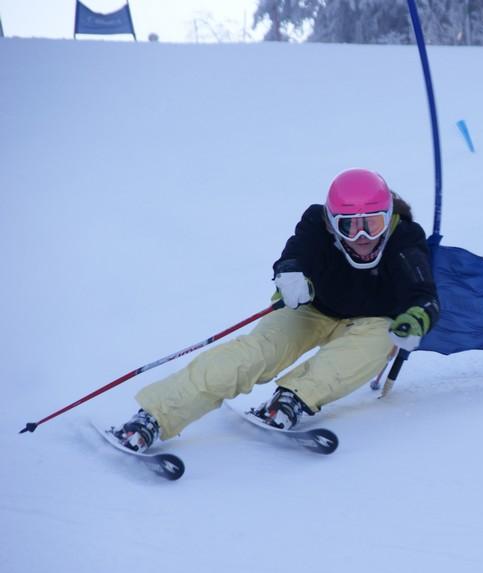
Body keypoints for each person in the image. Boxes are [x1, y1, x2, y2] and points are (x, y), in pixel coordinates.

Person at [112, 168, 440, 452]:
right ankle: (154, 417)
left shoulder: (404, 238)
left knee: (377, 343)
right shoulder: (316, 223)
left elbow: (423, 293)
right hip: (313, 310)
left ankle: (291, 400)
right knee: (255, 353)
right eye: (350, 225)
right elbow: (296, 253)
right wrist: (291, 275)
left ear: (390, 218)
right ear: (332, 221)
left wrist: (416, 317)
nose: (363, 236)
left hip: (372, 321)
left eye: (373, 223)